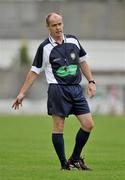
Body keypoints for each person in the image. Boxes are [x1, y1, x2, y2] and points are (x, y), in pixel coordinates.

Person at [12, 12, 96, 171]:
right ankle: (64, 164)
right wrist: (22, 93)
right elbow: (34, 71)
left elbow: (83, 62)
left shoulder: (73, 40)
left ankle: (75, 158)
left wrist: (91, 81)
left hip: (76, 89)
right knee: (59, 127)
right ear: (48, 27)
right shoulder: (44, 48)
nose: (58, 28)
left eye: (60, 24)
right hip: (58, 90)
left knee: (88, 124)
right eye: (54, 25)